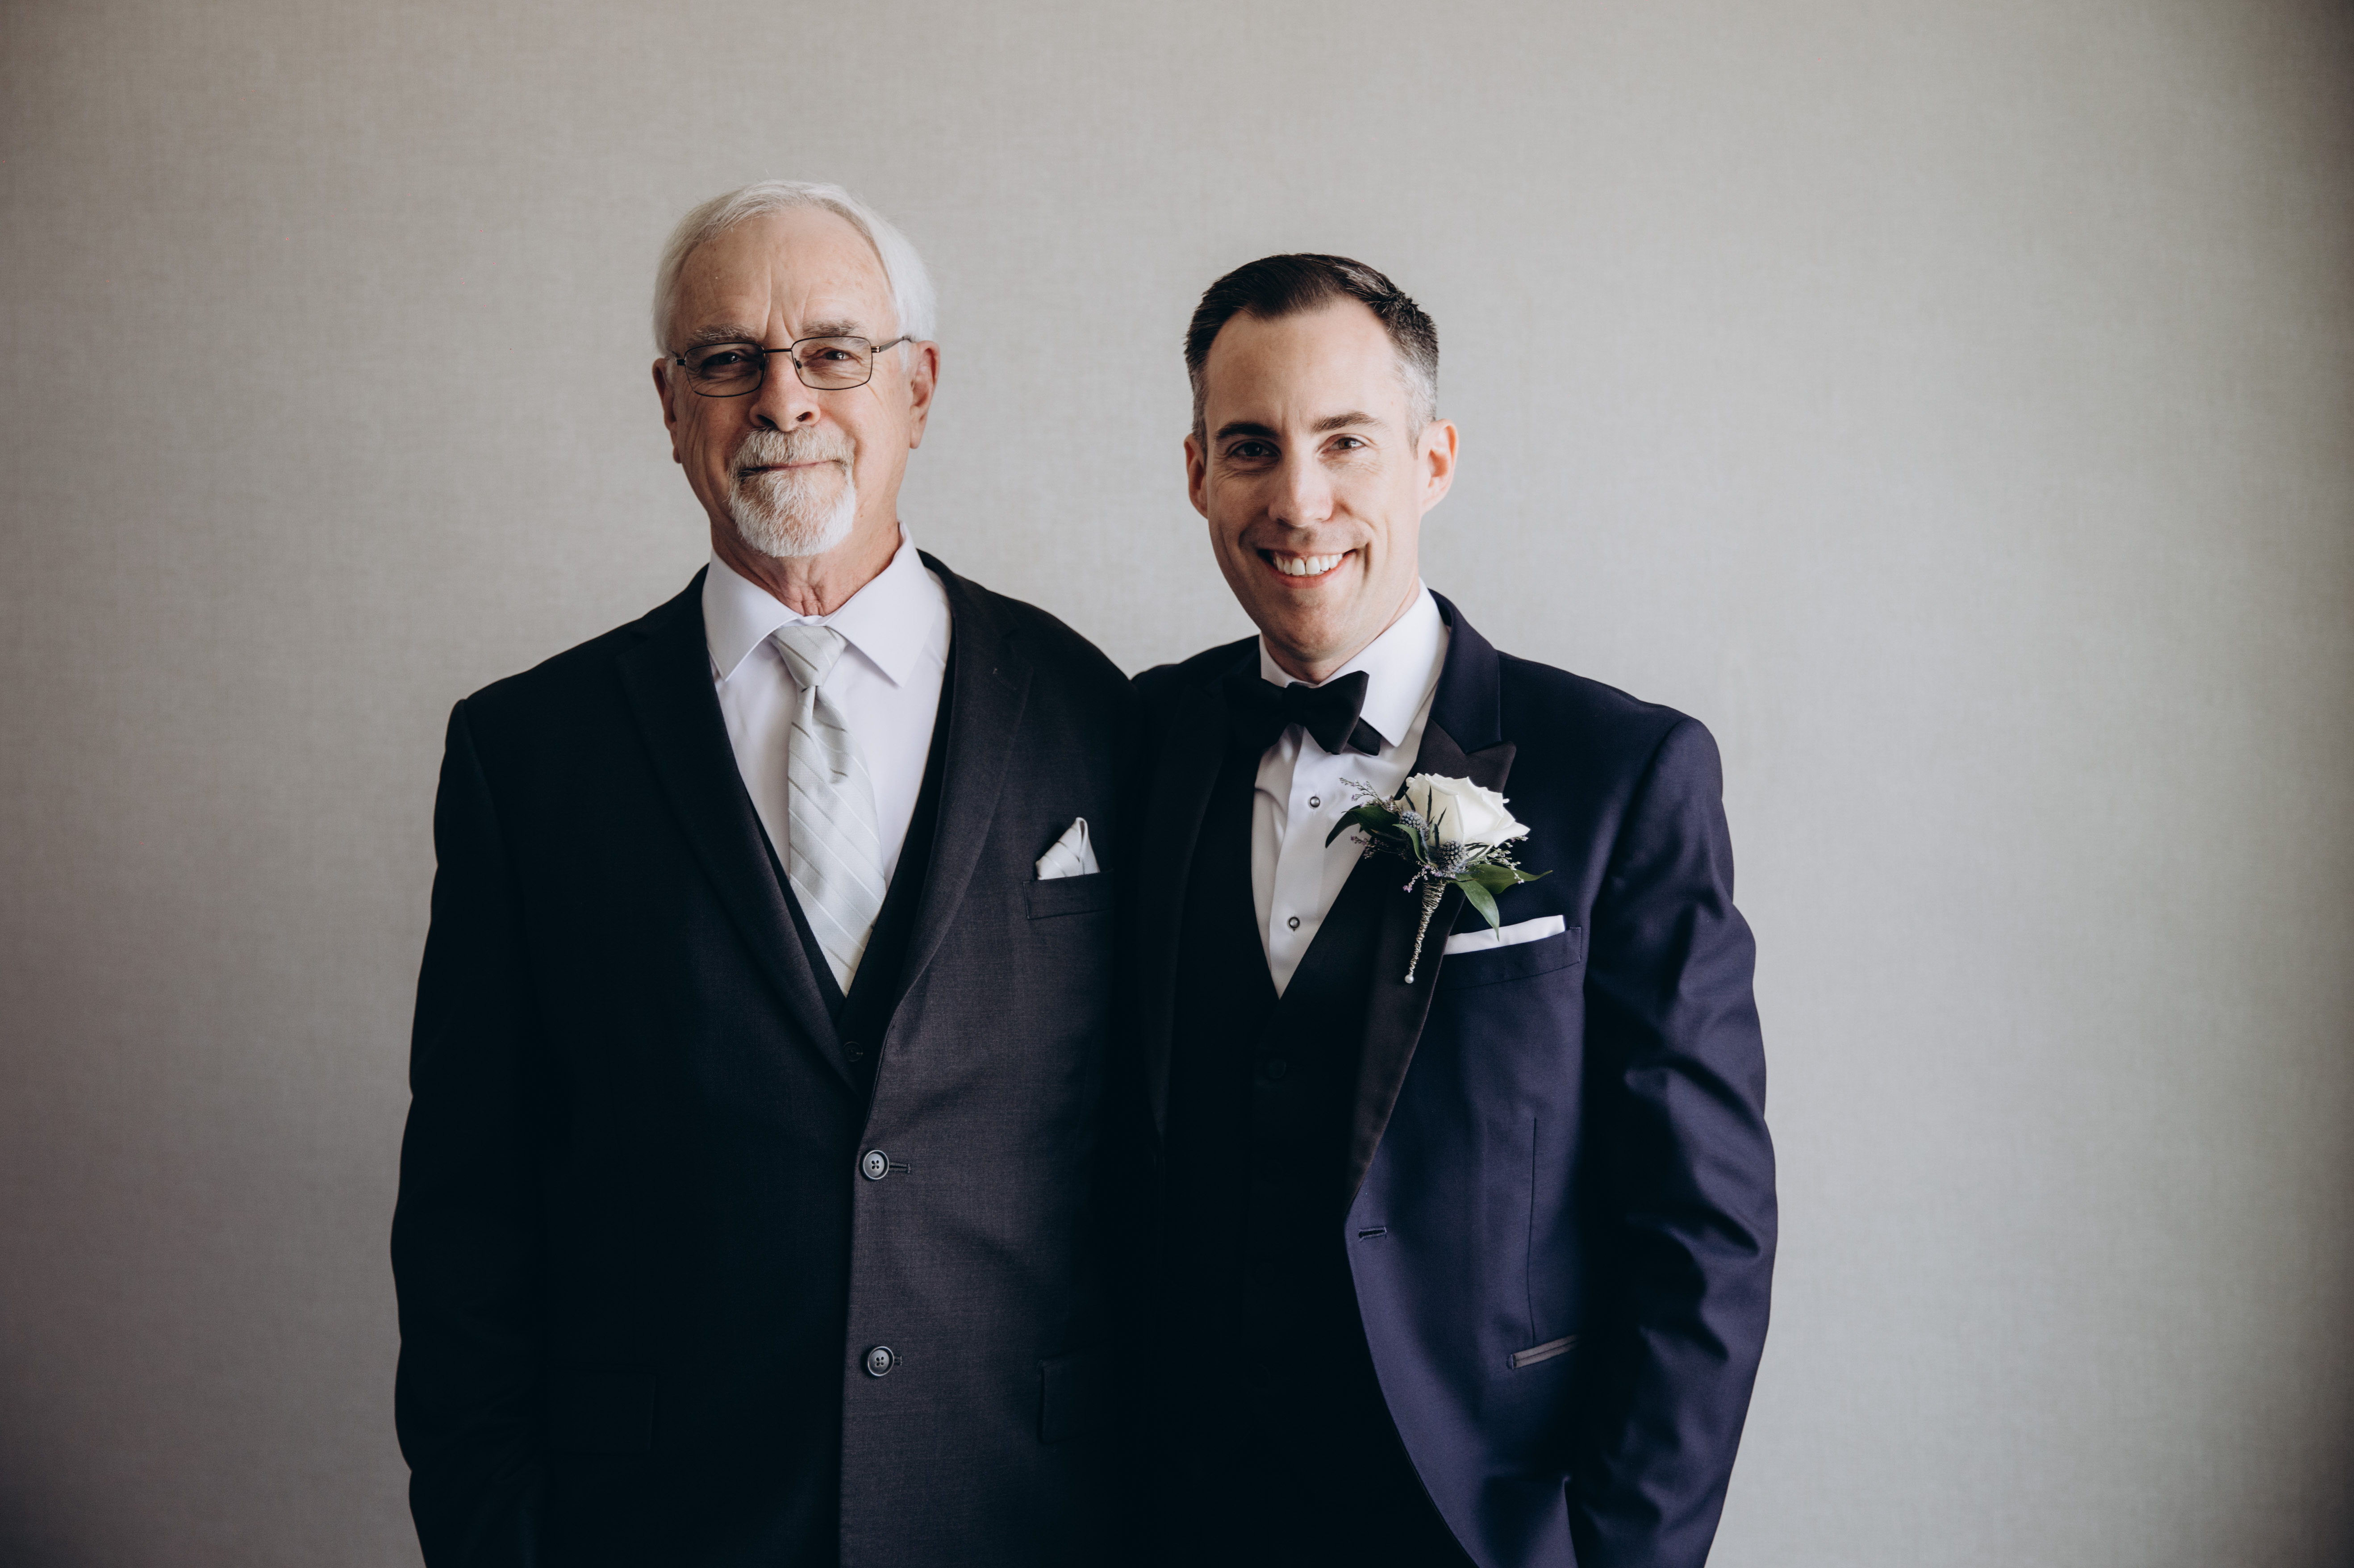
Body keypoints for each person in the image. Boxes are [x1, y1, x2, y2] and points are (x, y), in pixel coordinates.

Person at [391, 181, 1129, 1567]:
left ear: (918, 387)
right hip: (653, 1522)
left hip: (1023, 1514)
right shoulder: (527, 754)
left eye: (834, 352)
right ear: (672, 408)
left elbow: (1157, 1168)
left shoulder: (1100, 716)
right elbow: (468, 1212)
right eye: (728, 360)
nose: (784, 399)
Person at [1126, 254, 1776, 1567]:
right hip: (1173, 1515)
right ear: (1197, 474)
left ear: (1433, 461)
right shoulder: (1138, 739)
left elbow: (1701, 1232)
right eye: (1251, 447)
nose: (1298, 500)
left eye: (1346, 441)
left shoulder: (1623, 772)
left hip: (1479, 1517)